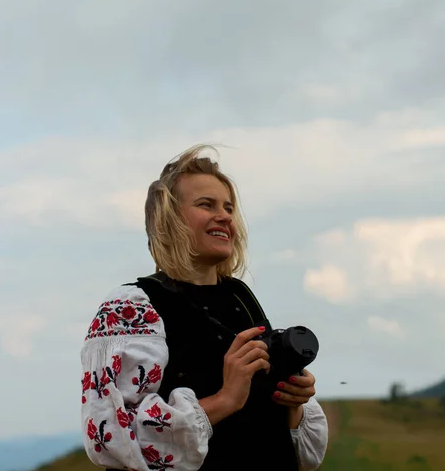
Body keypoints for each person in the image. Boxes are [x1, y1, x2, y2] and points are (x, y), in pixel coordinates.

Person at [80, 145, 328, 471]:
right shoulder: (131, 307)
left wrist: (292, 403)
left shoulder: (240, 297)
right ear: (168, 220)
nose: (225, 216)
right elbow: (114, 438)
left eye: (228, 207)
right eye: (205, 205)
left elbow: (299, 450)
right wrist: (225, 399)